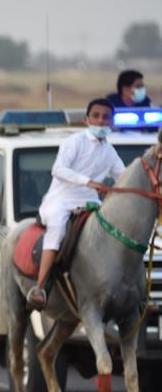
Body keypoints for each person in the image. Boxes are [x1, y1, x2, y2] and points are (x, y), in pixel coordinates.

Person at [26, 98, 125, 310]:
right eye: (96, 116)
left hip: (89, 203)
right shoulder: (74, 142)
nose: (101, 121)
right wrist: (88, 182)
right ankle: (41, 287)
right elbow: (58, 169)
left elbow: (123, 178)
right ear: (86, 119)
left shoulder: (110, 151)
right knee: (58, 228)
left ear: (112, 122)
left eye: (106, 117)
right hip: (60, 202)